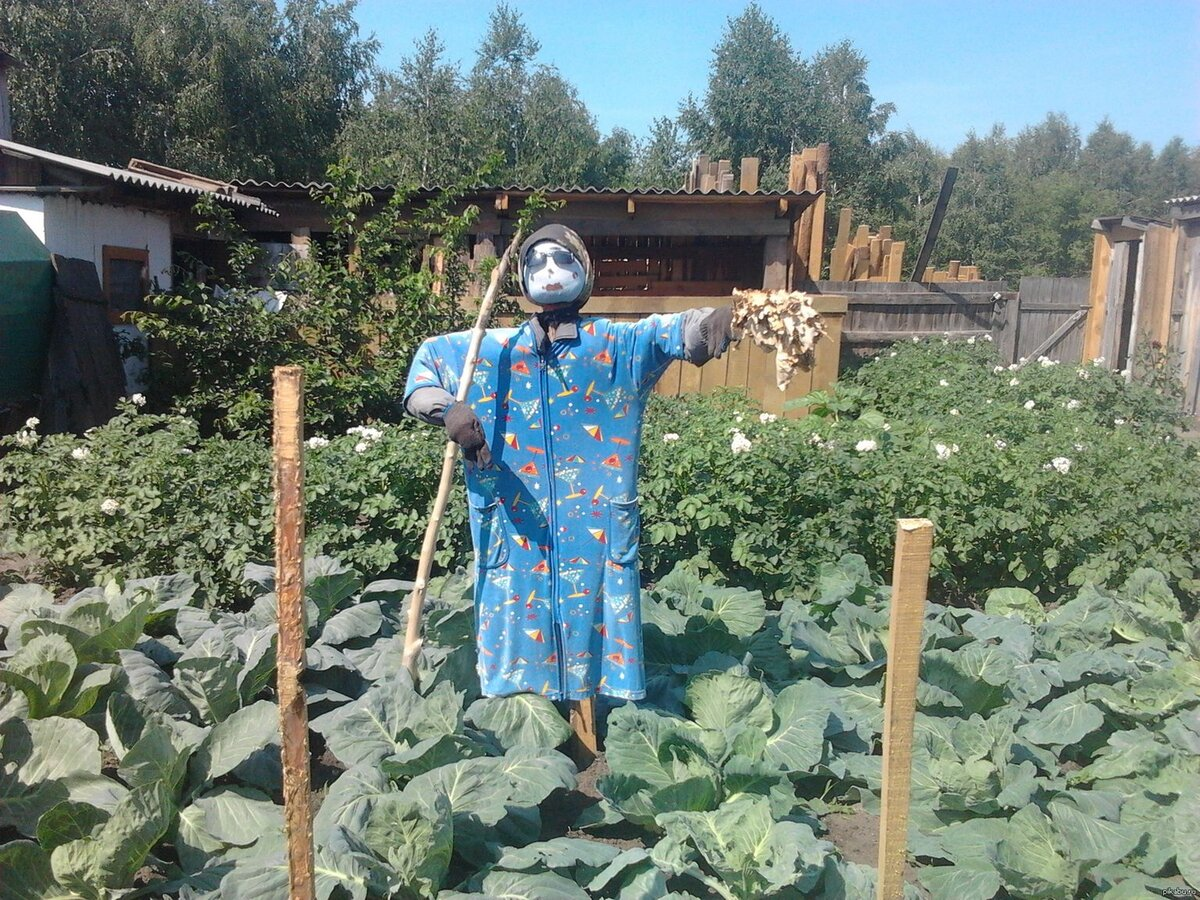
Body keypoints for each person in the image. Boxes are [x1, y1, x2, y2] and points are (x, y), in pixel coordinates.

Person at [404, 224, 738, 700]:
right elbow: (422, 378)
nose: (550, 270)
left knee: (596, 623)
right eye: (537, 262)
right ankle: (527, 726)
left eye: (563, 260)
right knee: (517, 629)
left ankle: (587, 720)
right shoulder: (488, 350)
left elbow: (676, 331)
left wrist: (727, 319)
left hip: (594, 527)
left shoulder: (616, 346)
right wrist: (449, 411)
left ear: (585, 271)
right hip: (512, 522)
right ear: (521, 277)